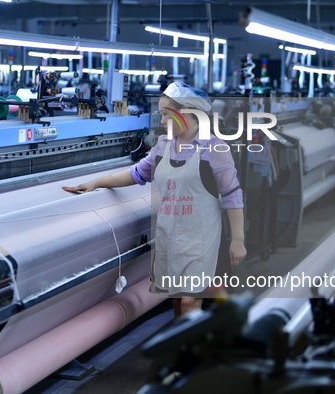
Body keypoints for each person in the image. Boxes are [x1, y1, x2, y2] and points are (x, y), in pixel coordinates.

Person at [63, 82, 247, 317]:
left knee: (191, 301)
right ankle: (182, 344)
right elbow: (136, 174)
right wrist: (96, 183)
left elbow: (232, 195)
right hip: (168, 236)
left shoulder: (214, 148)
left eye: (165, 114)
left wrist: (238, 240)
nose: (161, 121)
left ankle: (186, 349)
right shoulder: (163, 147)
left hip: (199, 240)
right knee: (178, 301)